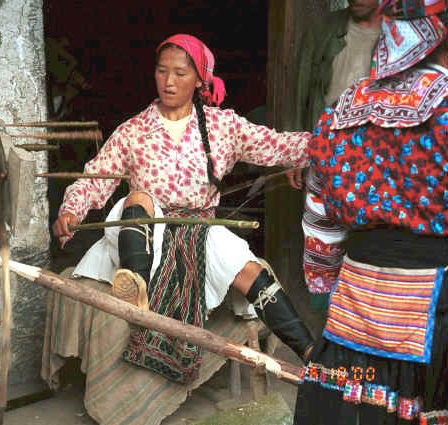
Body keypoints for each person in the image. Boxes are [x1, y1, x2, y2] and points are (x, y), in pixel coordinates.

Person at [52, 34, 314, 384]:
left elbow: (278, 146)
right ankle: (136, 284)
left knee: (251, 271)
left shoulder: (223, 127)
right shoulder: (133, 131)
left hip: (198, 229)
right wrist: (71, 210)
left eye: (179, 73)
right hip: (141, 233)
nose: (169, 81)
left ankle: (314, 357)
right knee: (139, 198)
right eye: (162, 72)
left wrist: (330, 143)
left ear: (199, 79)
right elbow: (94, 180)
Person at [295, 1, 448, 423]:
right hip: (436, 316)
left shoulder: (343, 110)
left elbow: (320, 224)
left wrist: (323, 279)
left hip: (354, 310)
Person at [290, 0, 382, 314]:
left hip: (375, 160)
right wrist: (297, 152)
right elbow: (300, 88)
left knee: (366, 246)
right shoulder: (325, 30)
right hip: (326, 153)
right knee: (322, 246)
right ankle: (326, 325)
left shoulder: (399, 35)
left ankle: (358, 323)